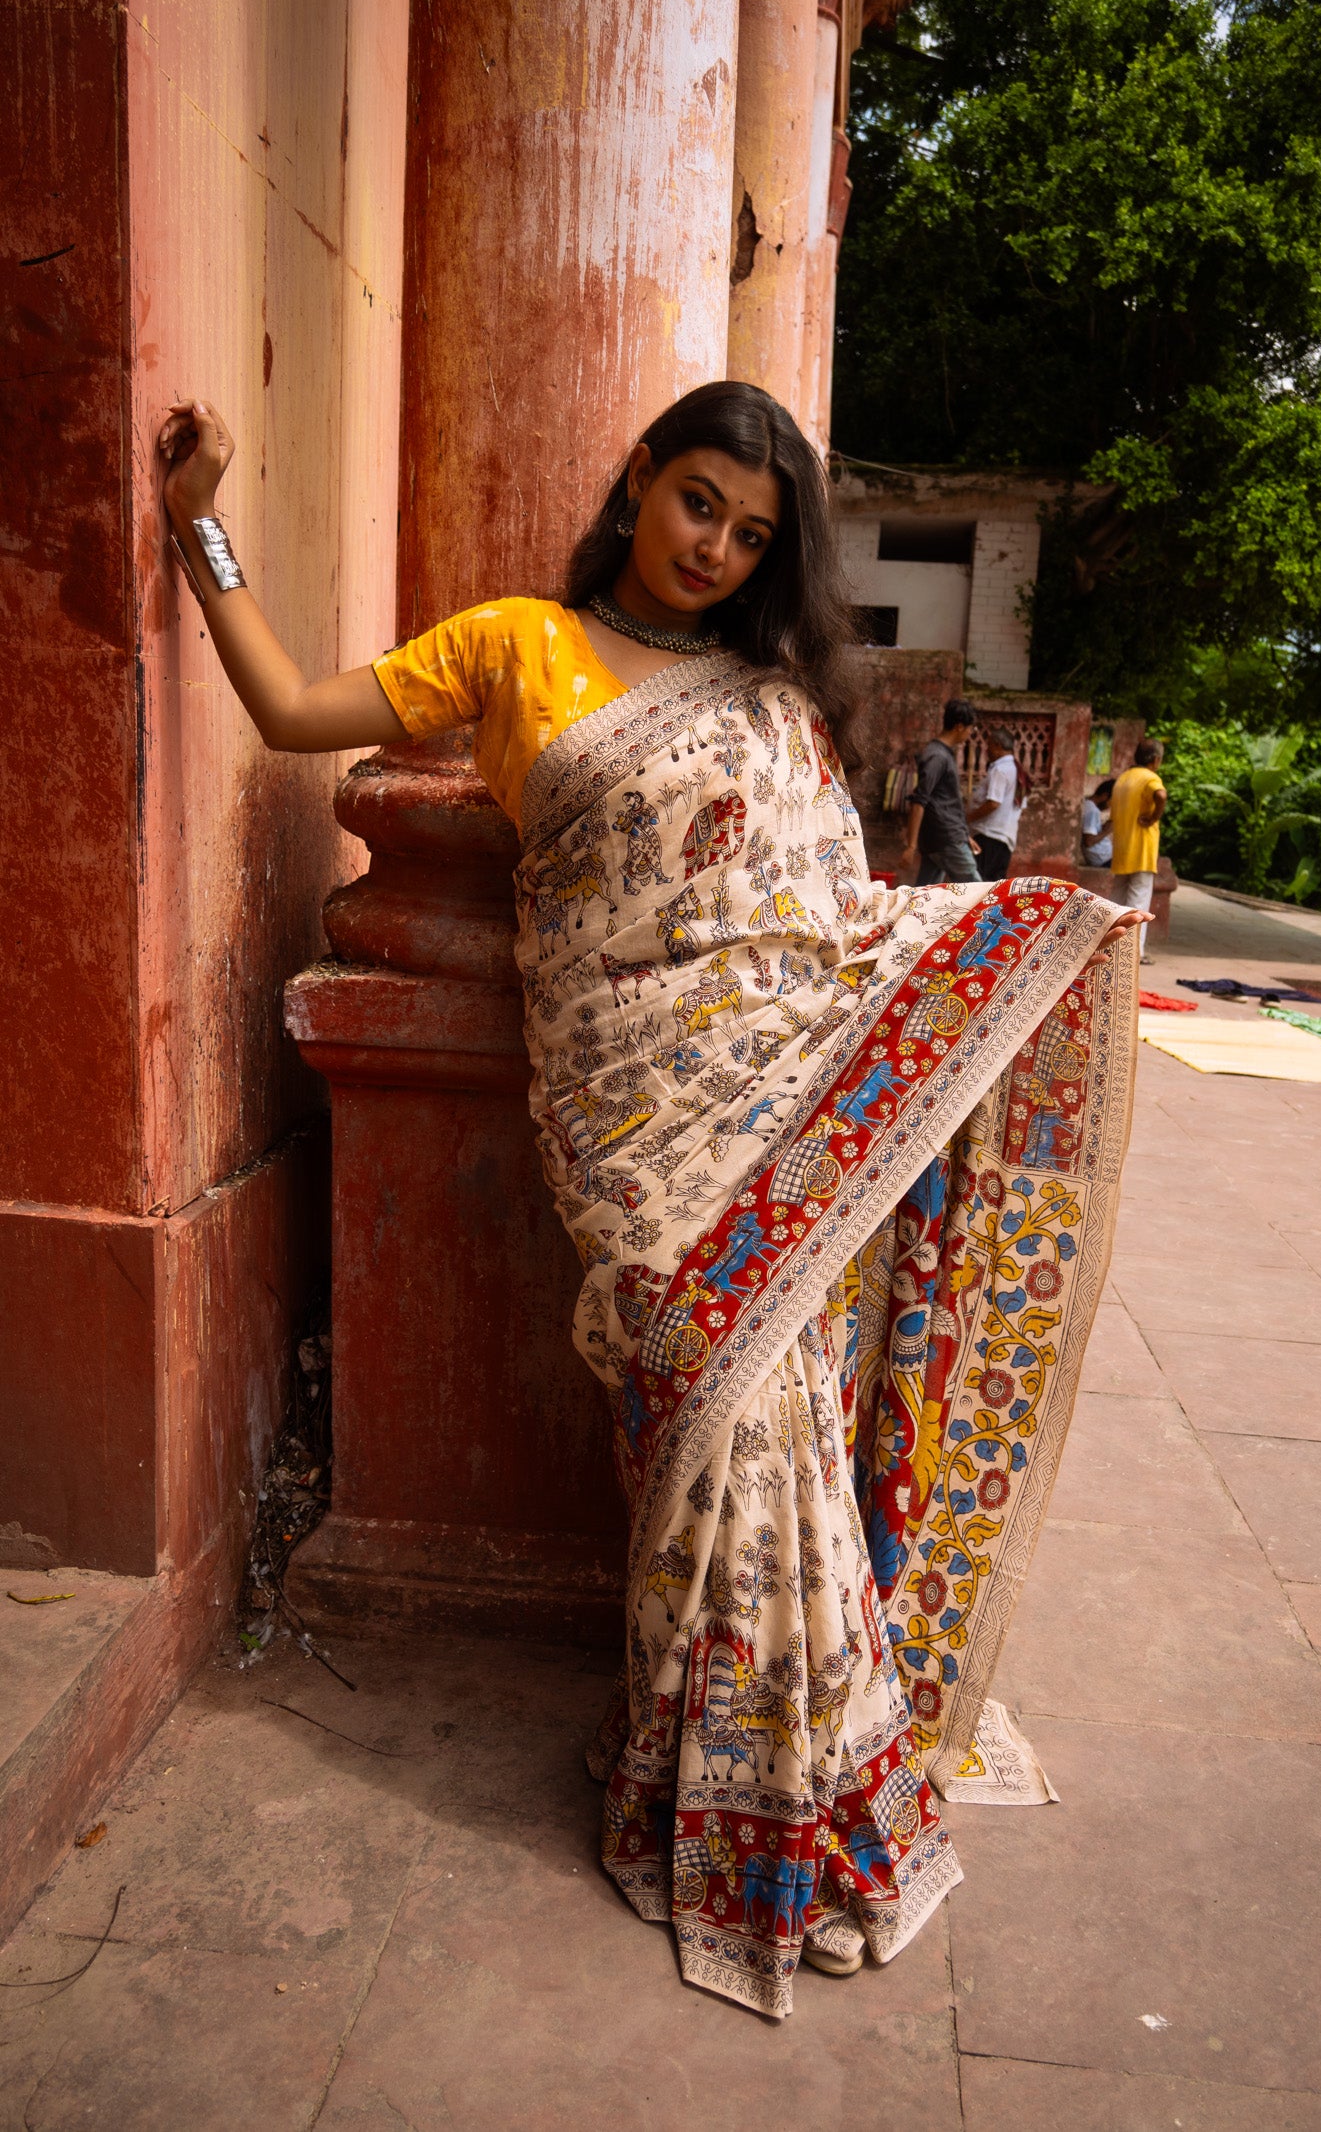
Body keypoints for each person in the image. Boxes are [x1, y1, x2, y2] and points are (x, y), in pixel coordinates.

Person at [157, 382, 1148, 2021]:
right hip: (627, 1115)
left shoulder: (766, 697)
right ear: (636, 478)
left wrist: (1015, 943)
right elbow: (284, 711)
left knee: (778, 1432)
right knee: (696, 1405)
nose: (716, 547)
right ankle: (711, 1785)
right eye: (699, 502)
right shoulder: (507, 649)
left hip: (774, 1104)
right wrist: (199, 523)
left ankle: (780, 1797)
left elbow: (826, 917)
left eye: (752, 533)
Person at [901, 699, 981, 883]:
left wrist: (964, 835)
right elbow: (919, 800)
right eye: (971, 729)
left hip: (941, 837)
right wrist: (911, 846)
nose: (970, 734)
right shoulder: (937, 756)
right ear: (959, 727)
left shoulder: (940, 753)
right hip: (946, 839)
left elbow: (944, 802)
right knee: (979, 893)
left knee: (925, 895)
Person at [1109, 740, 1168, 958]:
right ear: (1155, 760)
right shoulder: (1150, 778)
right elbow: (1160, 795)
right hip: (1142, 850)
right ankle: (1133, 954)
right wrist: (1153, 817)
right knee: (1138, 904)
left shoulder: (1123, 778)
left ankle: (1110, 948)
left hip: (1122, 849)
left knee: (1116, 903)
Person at [964, 723, 1025, 882]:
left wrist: (968, 818)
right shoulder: (1016, 770)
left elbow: (993, 803)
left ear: (997, 746)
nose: (986, 750)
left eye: (989, 746)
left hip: (989, 835)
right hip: (1004, 837)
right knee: (994, 886)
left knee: (981, 884)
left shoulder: (1001, 769)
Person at [1082, 778, 1115, 867]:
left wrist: (1102, 828)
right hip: (1104, 860)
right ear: (1105, 796)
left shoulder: (1087, 805)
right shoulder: (1092, 810)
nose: (1110, 806)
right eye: (1111, 802)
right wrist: (1107, 831)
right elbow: (1089, 841)